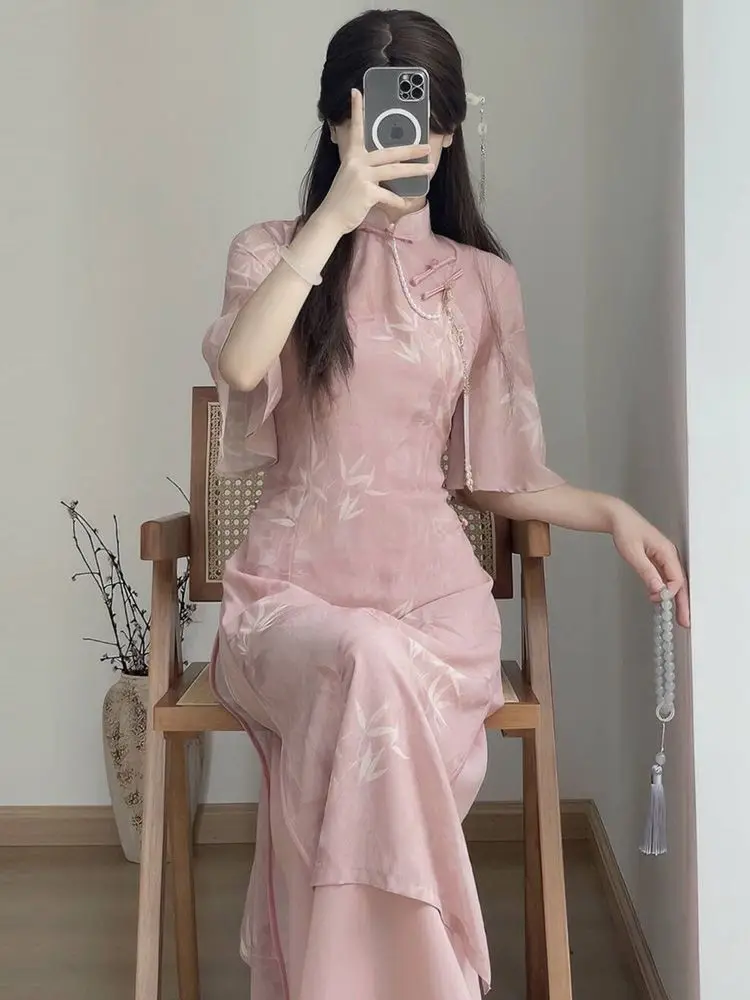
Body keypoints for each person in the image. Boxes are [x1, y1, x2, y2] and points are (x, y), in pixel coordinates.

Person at [202, 9, 689, 1000]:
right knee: (363, 660)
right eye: (371, 116)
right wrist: (334, 220)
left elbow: (499, 475)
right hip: (289, 606)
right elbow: (244, 366)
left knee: (379, 669)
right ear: (336, 123)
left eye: (418, 119)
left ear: (449, 128)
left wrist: (612, 512)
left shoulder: (482, 283)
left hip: (436, 609)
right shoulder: (269, 251)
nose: (398, 138)